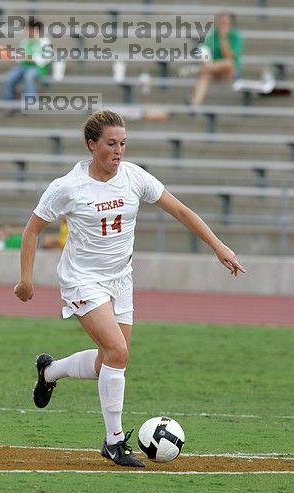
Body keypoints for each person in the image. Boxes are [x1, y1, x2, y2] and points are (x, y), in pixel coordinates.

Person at [14, 110, 245, 468]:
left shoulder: (134, 177)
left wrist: (219, 246)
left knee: (111, 359)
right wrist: (26, 279)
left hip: (121, 279)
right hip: (82, 280)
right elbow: (32, 231)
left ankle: (50, 371)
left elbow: (181, 211)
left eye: (123, 143)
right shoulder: (68, 187)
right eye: (111, 143)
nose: (119, 150)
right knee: (117, 352)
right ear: (92, 145)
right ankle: (114, 442)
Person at [191, 13, 244, 106]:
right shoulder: (213, 36)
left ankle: (199, 69)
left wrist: (223, 39)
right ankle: (195, 104)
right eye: (220, 23)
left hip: (230, 71)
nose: (222, 25)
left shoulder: (235, 36)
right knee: (205, 76)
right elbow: (205, 51)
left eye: (225, 23)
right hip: (215, 69)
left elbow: (230, 57)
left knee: (228, 63)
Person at [1, 18, 51, 101]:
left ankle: (30, 102)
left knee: (29, 77)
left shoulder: (44, 42)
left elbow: (47, 58)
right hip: (24, 66)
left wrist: (32, 58)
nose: (26, 31)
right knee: (9, 77)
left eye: (28, 29)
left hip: (38, 68)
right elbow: (20, 57)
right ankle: (8, 103)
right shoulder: (25, 42)